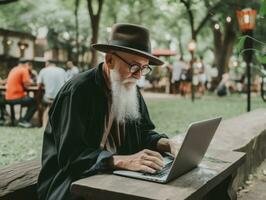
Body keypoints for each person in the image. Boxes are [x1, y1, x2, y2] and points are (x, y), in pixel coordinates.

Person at [37, 23, 178, 200]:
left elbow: (143, 133)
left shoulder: (131, 88)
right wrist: (122, 161)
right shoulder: (78, 91)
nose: (139, 76)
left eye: (144, 68)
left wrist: (168, 144)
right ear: (109, 60)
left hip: (115, 178)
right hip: (70, 185)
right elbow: (70, 157)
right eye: (134, 66)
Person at [5, 59, 37, 128]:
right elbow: (27, 85)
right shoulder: (24, 70)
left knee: (28, 100)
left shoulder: (13, 69)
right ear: (26, 64)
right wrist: (31, 82)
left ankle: (19, 120)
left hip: (7, 97)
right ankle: (24, 121)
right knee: (34, 102)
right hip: (16, 97)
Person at [37, 60, 67, 127]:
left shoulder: (43, 70)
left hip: (49, 97)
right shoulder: (62, 70)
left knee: (46, 106)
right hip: (60, 97)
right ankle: (60, 126)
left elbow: (39, 85)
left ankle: (44, 126)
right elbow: (67, 83)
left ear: (47, 63)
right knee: (58, 107)